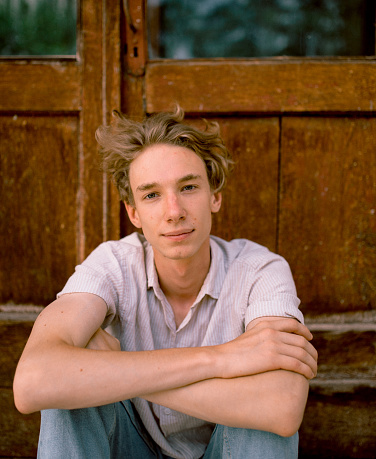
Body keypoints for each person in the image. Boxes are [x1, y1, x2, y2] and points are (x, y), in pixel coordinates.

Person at [14, 106, 317, 459]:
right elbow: (33, 382)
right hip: (129, 447)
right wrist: (219, 360)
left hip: (225, 451)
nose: (174, 211)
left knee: (262, 421)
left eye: (188, 187)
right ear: (133, 213)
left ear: (214, 196)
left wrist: (117, 370)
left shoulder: (260, 269)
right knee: (65, 397)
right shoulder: (112, 264)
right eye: (152, 195)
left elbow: (282, 407)